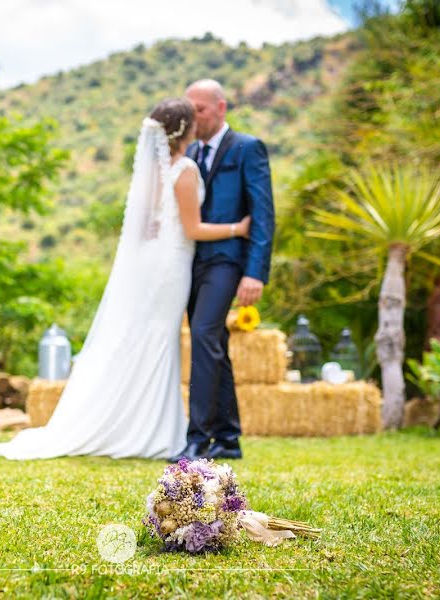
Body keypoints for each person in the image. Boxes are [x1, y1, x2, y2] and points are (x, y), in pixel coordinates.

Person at [0, 98, 251, 460]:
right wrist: (236, 227)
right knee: (159, 340)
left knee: (147, 337)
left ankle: (143, 424)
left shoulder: (155, 169)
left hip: (156, 260)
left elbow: (150, 223)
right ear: (186, 129)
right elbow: (193, 228)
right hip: (171, 266)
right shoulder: (184, 170)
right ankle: (152, 431)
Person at [171, 79, 274, 462]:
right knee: (213, 344)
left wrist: (255, 273)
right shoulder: (190, 152)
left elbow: (263, 215)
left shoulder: (248, 148)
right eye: (189, 109)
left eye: (200, 109)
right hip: (190, 264)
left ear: (221, 107)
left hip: (229, 261)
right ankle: (228, 438)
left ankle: (198, 437)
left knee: (203, 334)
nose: (193, 116)